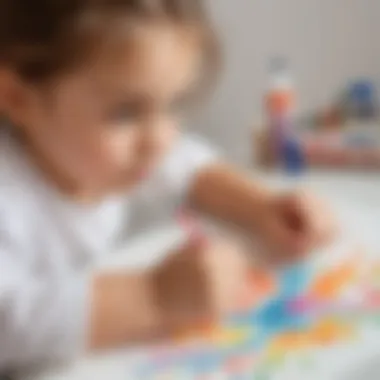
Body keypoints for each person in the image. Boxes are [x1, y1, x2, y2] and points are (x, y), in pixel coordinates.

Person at [0, 0, 335, 373]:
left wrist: (262, 206)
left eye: (173, 104)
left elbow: (185, 164)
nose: (160, 138)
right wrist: (152, 296)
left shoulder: (94, 154)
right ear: (18, 98)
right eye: (126, 112)